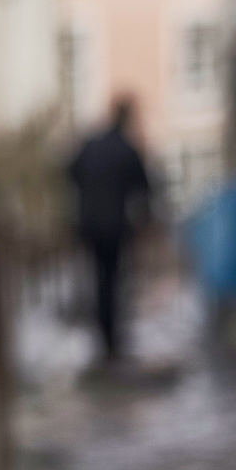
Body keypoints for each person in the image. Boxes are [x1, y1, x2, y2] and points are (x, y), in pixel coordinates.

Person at [66, 95, 157, 364]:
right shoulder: (126, 148)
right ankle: (111, 340)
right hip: (114, 226)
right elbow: (145, 188)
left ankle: (104, 338)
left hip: (89, 224)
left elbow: (69, 172)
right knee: (113, 280)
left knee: (99, 280)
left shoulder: (91, 145)